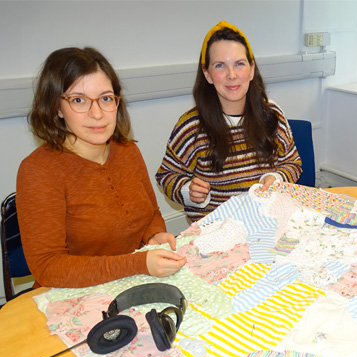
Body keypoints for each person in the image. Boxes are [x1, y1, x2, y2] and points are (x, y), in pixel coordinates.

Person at [16, 47, 187, 289]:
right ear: (56, 108)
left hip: (130, 281)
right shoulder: (39, 171)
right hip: (71, 295)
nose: (97, 113)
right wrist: (136, 263)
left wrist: (153, 236)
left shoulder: (127, 151)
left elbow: (151, 214)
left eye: (106, 98)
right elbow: (47, 268)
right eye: (78, 100)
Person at [155, 21, 302, 222]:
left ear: (251, 69)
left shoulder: (272, 115)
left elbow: (292, 163)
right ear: (207, 74)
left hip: (268, 224)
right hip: (217, 235)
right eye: (220, 66)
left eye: (239, 64)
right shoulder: (191, 126)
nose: (232, 75)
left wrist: (277, 178)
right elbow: (167, 175)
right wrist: (187, 191)